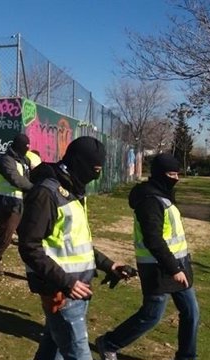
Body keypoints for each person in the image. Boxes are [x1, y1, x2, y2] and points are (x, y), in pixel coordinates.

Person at [17, 136, 134, 359]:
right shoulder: (46, 193)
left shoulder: (74, 191)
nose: (95, 176)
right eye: (93, 169)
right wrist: (65, 282)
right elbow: (29, 246)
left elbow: (75, 244)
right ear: (77, 163)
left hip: (78, 289)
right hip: (61, 292)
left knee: (52, 353)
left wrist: (109, 265)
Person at [95, 153, 199, 360]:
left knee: (191, 312)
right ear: (160, 174)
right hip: (158, 269)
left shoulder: (163, 197)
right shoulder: (150, 201)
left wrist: (180, 265)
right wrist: (174, 269)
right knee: (152, 315)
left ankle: (187, 357)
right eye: (171, 174)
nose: (175, 178)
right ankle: (109, 343)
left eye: (177, 173)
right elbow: (154, 240)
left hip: (177, 264)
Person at [0, 133, 33, 276]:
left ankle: (35, 268)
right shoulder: (6, 160)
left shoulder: (24, 160)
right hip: (8, 202)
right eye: (25, 146)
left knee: (28, 236)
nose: (27, 148)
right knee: (6, 235)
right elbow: (16, 179)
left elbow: (28, 176)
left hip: (21, 202)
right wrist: (35, 188)